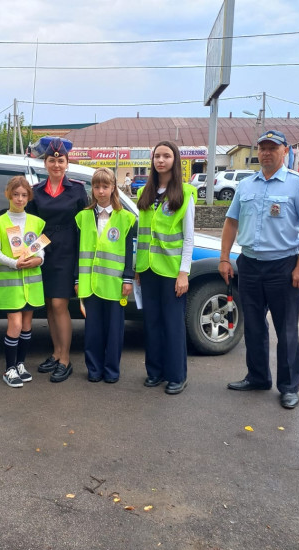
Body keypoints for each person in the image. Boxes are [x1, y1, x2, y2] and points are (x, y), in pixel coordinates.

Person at [218, 129, 299, 409]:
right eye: (262, 148)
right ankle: (258, 377)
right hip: (249, 264)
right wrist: (225, 258)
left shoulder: (298, 184)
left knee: (286, 329)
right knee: (252, 326)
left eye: (272, 148)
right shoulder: (246, 185)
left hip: (284, 267)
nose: (266, 152)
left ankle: (288, 387)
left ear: (285, 151)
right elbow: (231, 222)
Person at [135, 141, 196, 395]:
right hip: (147, 269)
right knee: (152, 323)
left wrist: (184, 273)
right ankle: (155, 371)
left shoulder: (186, 192)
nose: (161, 160)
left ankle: (177, 376)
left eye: (166, 156)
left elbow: (188, 237)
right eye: (157, 156)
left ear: (175, 159)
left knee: (172, 324)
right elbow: (141, 233)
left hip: (171, 271)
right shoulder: (144, 193)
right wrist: (137, 268)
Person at [26, 137, 88, 383]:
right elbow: (30, 226)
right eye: (52, 160)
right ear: (45, 163)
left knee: (61, 306)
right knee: (50, 306)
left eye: (60, 160)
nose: (56, 164)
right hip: (44, 254)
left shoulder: (77, 190)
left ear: (67, 163)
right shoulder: (36, 191)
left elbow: (85, 227)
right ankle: (56, 352)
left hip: (68, 253)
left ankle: (65, 360)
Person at [74, 168, 136, 383]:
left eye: (105, 186)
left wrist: (128, 278)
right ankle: (94, 369)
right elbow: (77, 251)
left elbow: (129, 251)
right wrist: (76, 278)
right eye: (97, 187)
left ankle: (111, 371)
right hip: (90, 282)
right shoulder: (82, 217)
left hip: (115, 283)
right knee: (93, 330)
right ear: (92, 189)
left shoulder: (125, 218)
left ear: (113, 188)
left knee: (114, 331)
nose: (101, 191)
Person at [0, 176, 46, 388]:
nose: (19, 199)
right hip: (10, 284)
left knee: (27, 325)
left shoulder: (36, 222)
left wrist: (39, 259)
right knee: (16, 324)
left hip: (31, 284)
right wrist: (14, 263)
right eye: (16, 194)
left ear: (29, 197)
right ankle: (9, 369)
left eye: (24, 195)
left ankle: (20, 364)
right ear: (8, 195)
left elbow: (40, 249)